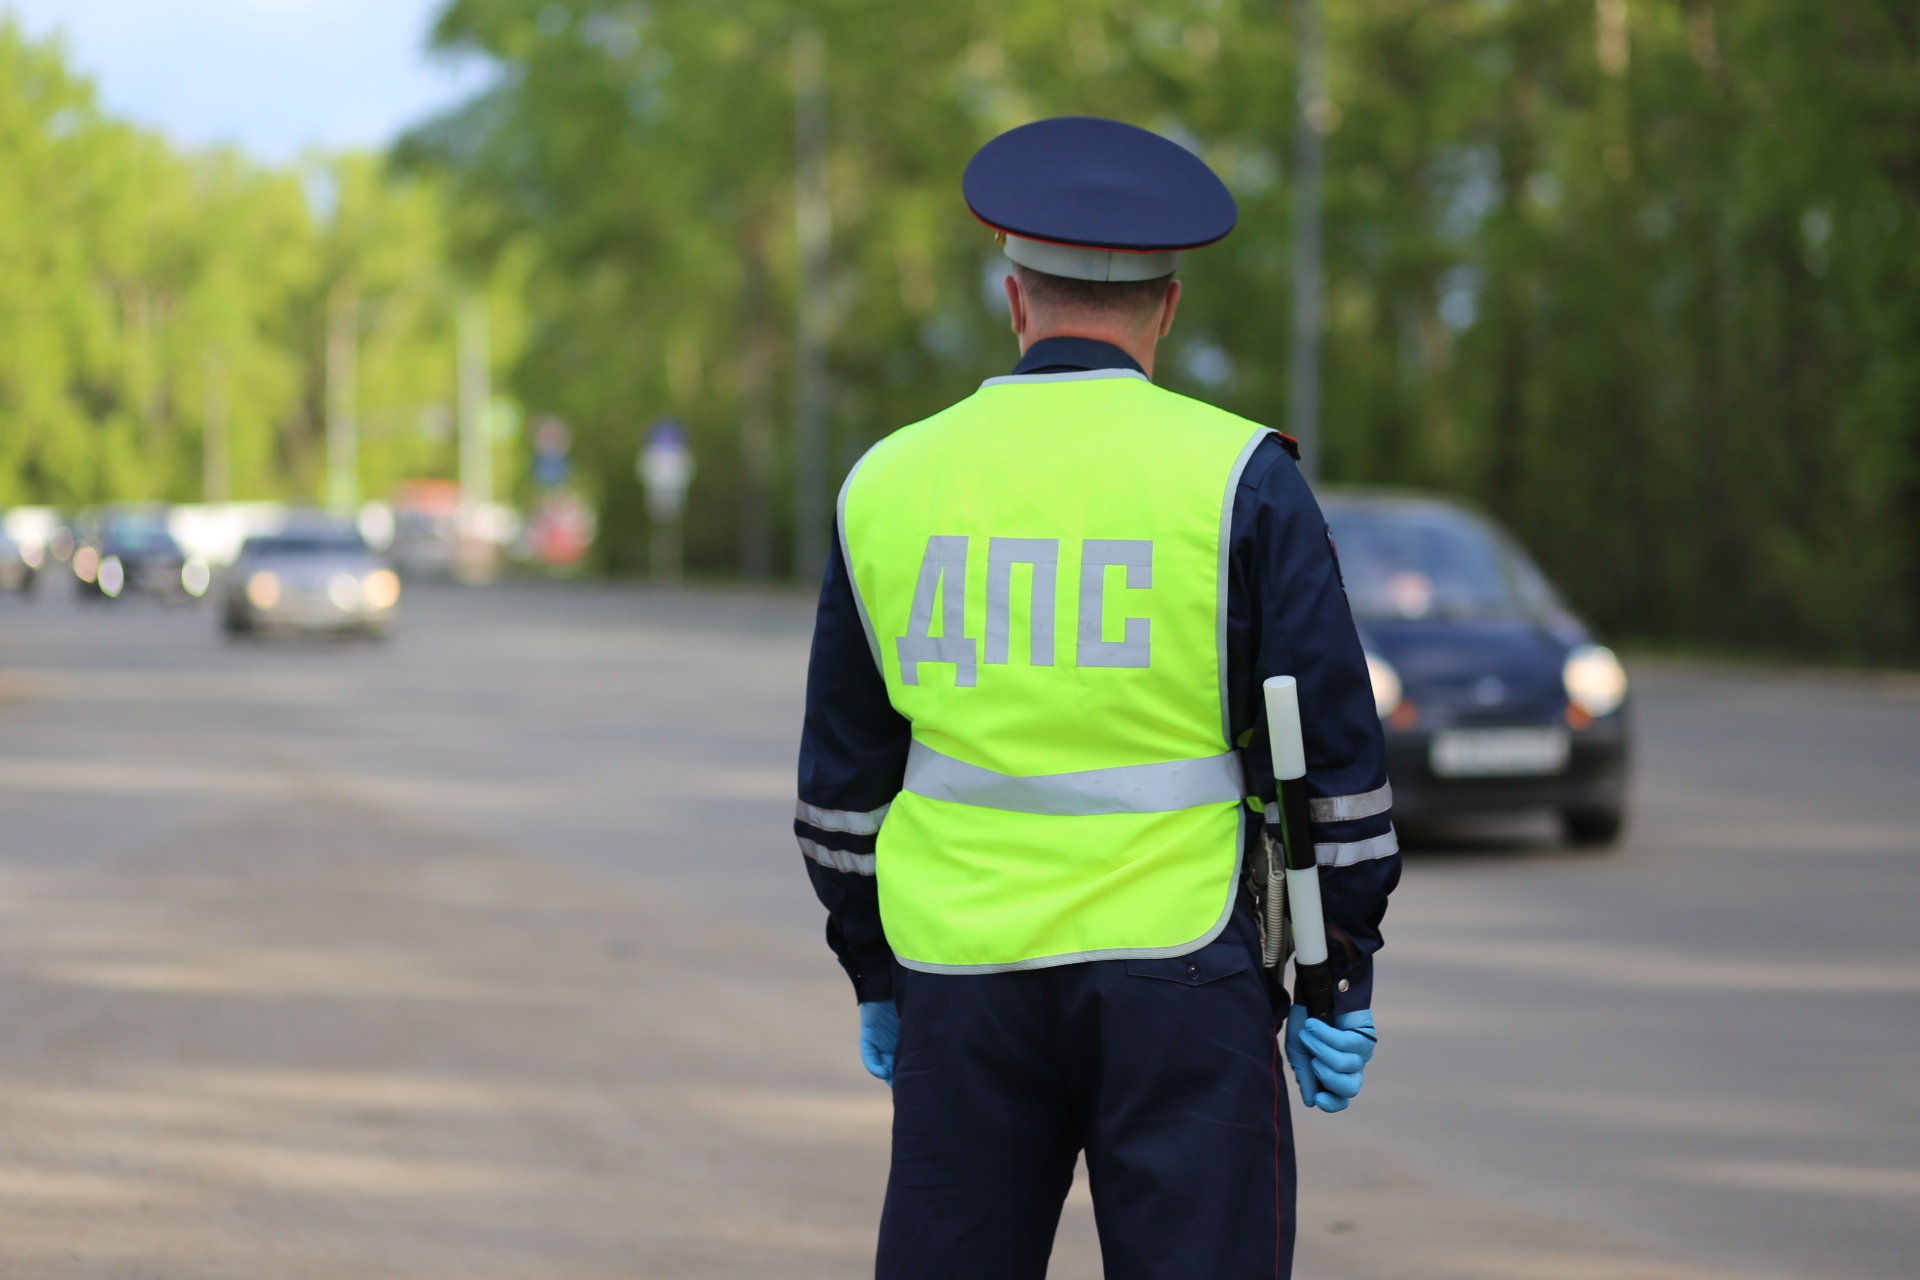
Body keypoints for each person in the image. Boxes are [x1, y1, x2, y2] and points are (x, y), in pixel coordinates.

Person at [795, 116, 1398, 1280]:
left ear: (1013, 299)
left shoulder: (888, 480)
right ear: (1167, 311)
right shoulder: (1241, 479)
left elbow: (841, 790)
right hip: (1183, 979)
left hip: (960, 980)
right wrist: (1337, 977)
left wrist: (875, 971)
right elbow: (1334, 766)